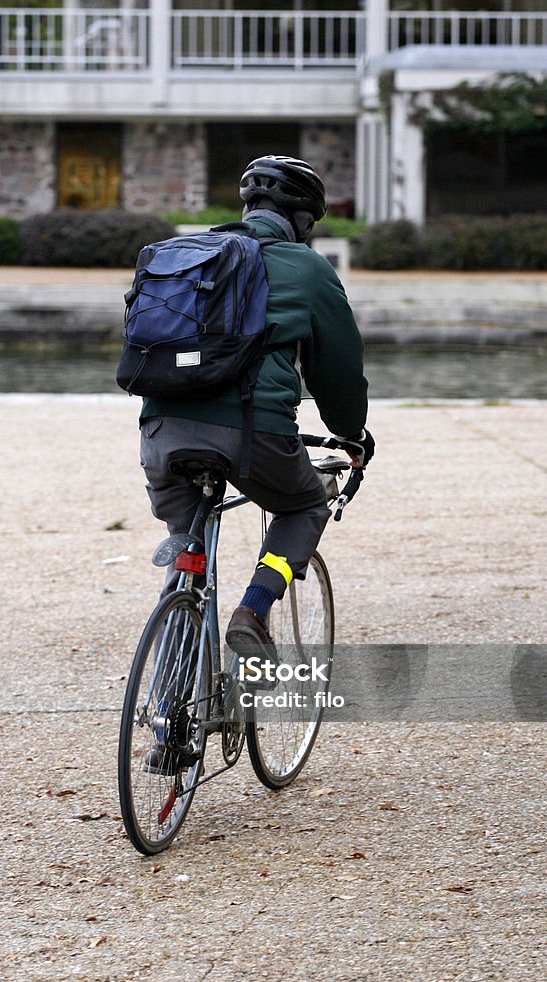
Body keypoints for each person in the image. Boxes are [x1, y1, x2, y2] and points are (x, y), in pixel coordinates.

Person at [138, 154, 374, 656]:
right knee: (306, 505)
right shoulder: (308, 268)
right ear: (304, 220)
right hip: (251, 434)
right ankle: (254, 609)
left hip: (161, 433)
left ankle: (169, 694)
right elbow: (338, 372)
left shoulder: (185, 254)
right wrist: (351, 431)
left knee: (190, 543)